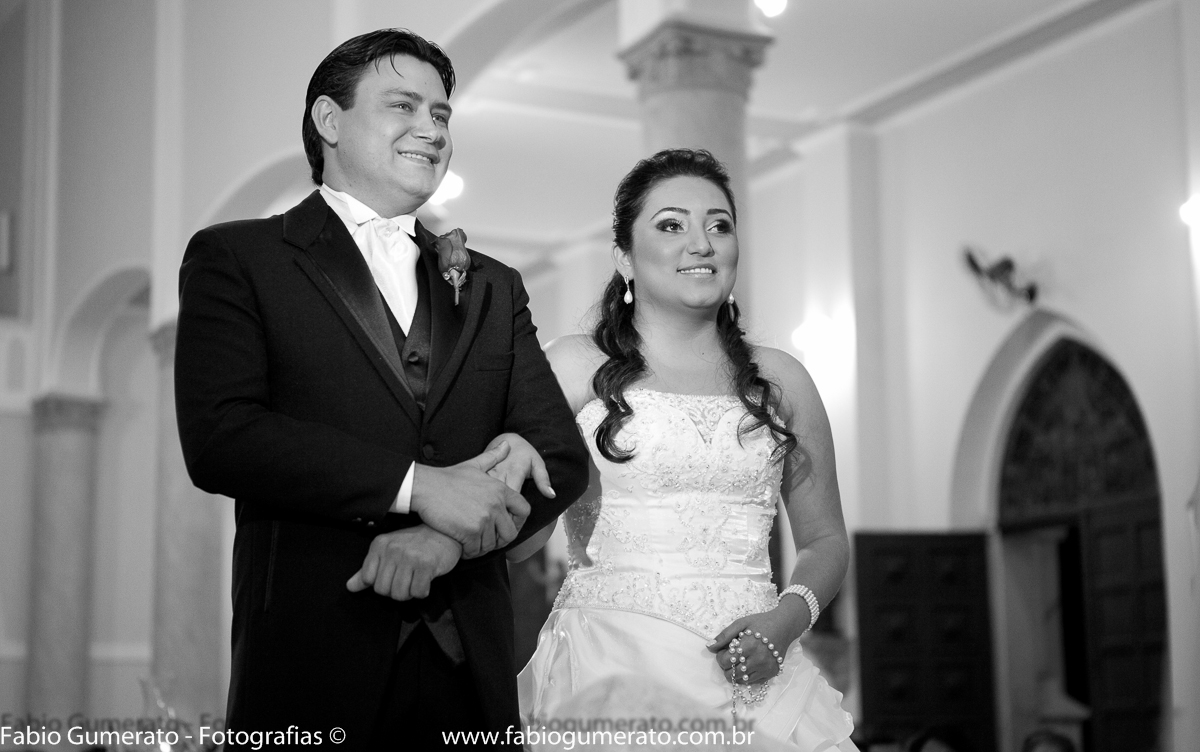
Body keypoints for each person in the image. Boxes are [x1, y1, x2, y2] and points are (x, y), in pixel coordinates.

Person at [173, 29, 589, 749]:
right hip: (312, 656)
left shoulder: (492, 285)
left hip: (470, 668)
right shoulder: (240, 258)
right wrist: (417, 487)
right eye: (404, 106)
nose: (432, 128)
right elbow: (223, 436)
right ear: (329, 121)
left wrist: (448, 538)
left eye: (441, 113)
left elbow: (559, 454)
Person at [514, 148, 859, 750]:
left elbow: (825, 539)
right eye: (671, 225)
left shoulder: (782, 380)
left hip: (757, 674)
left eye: (719, 225)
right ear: (624, 256)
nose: (701, 244)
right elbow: (522, 534)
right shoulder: (573, 366)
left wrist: (784, 623)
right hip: (612, 665)